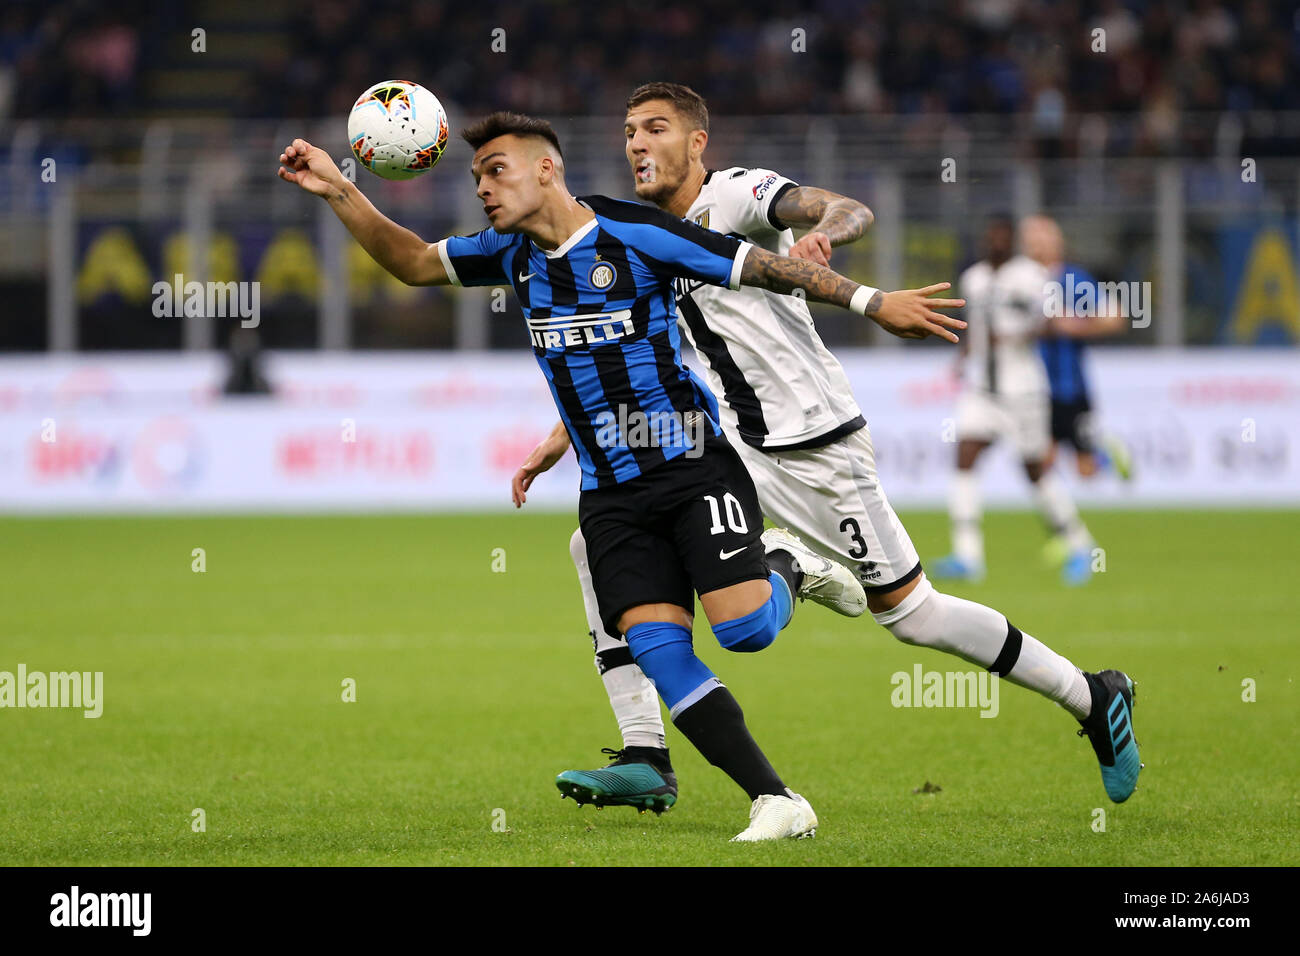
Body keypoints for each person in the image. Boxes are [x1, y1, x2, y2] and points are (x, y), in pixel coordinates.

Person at [278, 110, 965, 841]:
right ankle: (776, 800)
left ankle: (788, 565)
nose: (482, 187)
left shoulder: (635, 235)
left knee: (745, 633)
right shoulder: (509, 254)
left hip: (694, 467)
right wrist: (337, 190)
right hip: (610, 492)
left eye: (496, 169)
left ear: (547, 170)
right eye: (476, 175)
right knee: (660, 650)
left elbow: (759, 266)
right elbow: (413, 261)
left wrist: (872, 301)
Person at [513, 84, 1141, 824]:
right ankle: (646, 753)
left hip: (814, 445)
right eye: (627, 132)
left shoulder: (740, 195)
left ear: (697, 142)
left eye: (656, 129)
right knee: (596, 543)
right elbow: (642, 348)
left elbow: (845, 205)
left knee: (912, 615)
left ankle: (1090, 693)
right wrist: (563, 435)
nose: (637, 144)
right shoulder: (640, 232)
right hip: (727, 446)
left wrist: (829, 236)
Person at [931, 214, 1099, 587]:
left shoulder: (1032, 277)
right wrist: (962, 357)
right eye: (991, 237)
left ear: (1012, 242)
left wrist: (1015, 334)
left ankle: (1080, 544)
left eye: (1003, 237)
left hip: (1023, 391)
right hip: (982, 390)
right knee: (965, 455)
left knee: (1035, 469)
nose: (996, 243)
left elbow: (1049, 323)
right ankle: (967, 555)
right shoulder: (973, 278)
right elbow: (975, 328)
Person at [1021, 215, 1134, 498]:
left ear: (1057, 243)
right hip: (1032, 388)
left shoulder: (1073, 280)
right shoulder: (1020, 280)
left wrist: (1071, 325)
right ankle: (1065, 534)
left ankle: (1106, 452)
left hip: (1070, 387)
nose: (1036, 245)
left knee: (1085, 471)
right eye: (1031, 240)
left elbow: (1115, 318)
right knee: (1039, 463)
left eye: (1042, 239)